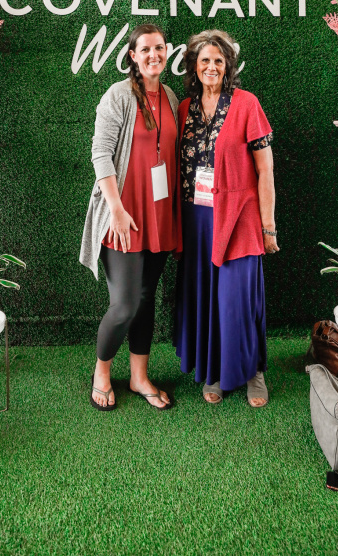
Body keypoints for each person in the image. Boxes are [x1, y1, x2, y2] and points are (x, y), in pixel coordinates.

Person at [174, 29, 279, 407]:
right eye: (205, 60)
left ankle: (253, 371)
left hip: (239, 217)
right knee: (207, 299)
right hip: (197, 220)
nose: (211, 66)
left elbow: (265, 169)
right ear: (194, 66)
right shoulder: (184, 109)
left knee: (237, 300)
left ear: (228, 65)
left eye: (218, 60)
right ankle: (214, 370)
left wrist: (268, 226)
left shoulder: (247, 104)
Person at [80, 23, 179, 411]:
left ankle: (139, 377)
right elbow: (100, 154)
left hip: (159, 214)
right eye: (146, 49)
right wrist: (117, 211)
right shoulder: (118, 95)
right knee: (124, 304)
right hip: (123, 215)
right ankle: (101, 372)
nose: (154, 55)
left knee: (146, 298)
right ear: (133, 56)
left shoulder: (170, 96)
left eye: (159, 48)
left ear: (166, 52)